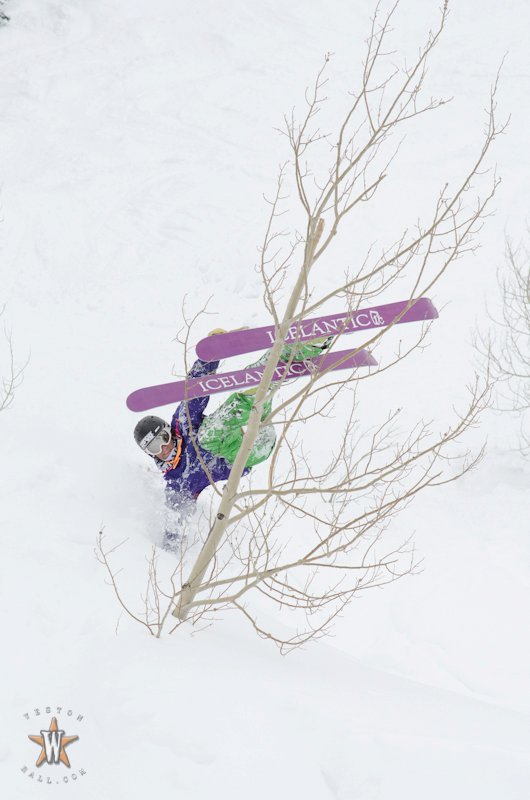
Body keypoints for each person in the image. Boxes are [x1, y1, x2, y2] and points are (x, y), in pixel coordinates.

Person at [133, 331, 331, 551]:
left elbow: (195, 389)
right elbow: (174, 521)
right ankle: (252, 394)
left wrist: (211, 353)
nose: (163, 448)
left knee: (256, 380)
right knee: (207, 437)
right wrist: (168, 552)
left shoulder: (183, 422)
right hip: (250, 451)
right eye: (154, 447)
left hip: (253, 423)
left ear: (169, 431)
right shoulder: (178, 482)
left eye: (163, 438)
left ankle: (306, 346)